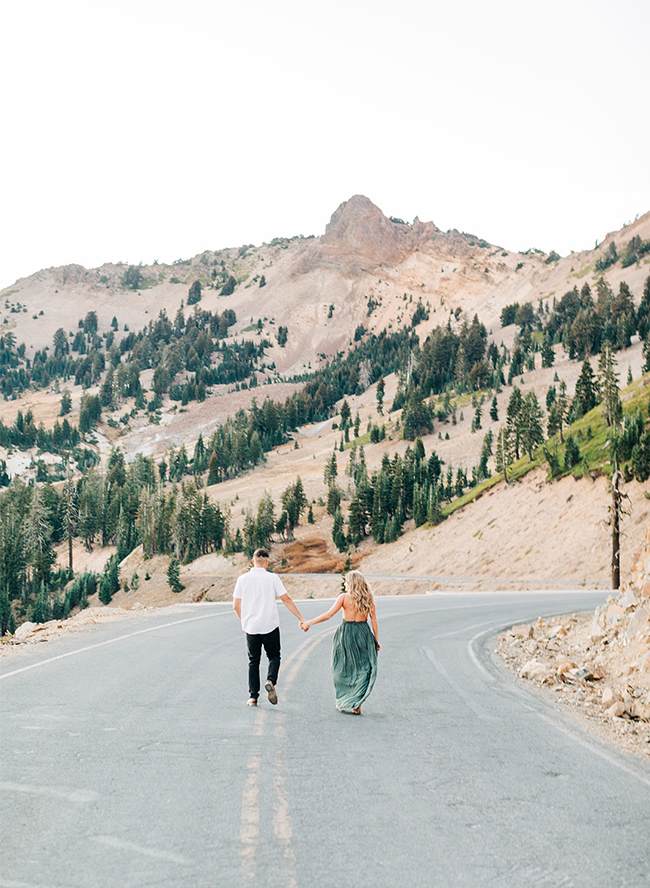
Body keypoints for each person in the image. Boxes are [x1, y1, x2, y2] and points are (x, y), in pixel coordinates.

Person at [233, 548, 305, 707]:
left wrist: (245, 621)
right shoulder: (272, 578)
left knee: (253, 661)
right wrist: (300, 618)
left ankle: (253, 697)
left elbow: (236, 605)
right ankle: (270, 680)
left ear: (253, 561)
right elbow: (286, 599)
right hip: (270, 625)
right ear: (266, 562)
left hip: (251, 626)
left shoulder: (242, 579)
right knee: (274, 656)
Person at [300, 570, 379, 714]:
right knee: (362, 668)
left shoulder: (344, 598)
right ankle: (356, 702)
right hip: (363, 634)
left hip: (346, 634)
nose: (345, 585)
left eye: (346, 582)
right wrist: (376, 640)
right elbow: (374, 622)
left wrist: (309, 622)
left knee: (340, 668)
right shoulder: (369, 600)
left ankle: (344, 700)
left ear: (352, 584)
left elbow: (328, 615)